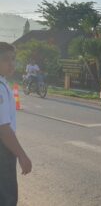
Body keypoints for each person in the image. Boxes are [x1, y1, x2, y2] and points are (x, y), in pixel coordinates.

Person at [0, 42, 32, 205]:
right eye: (6, 60)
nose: (12, 64)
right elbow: (3, 129)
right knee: (7, 197)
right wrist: (22, 155)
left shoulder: (3, 82)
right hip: (2, 151)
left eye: (13, 59)